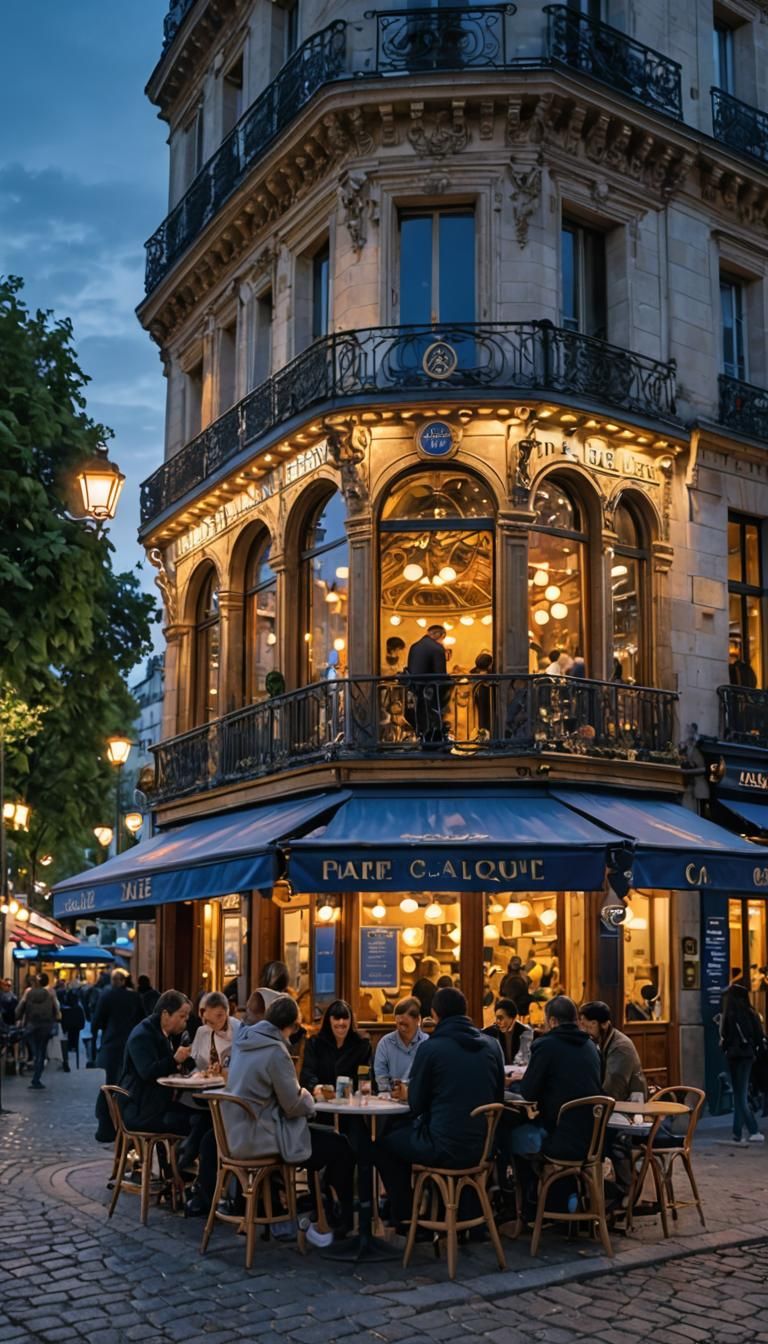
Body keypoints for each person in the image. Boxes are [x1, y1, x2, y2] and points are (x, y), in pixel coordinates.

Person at [193, 995, 354, 1234]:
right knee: (340, 1146)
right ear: (290, 1026)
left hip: (234, 1136)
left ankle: (321, 1209)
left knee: (327, 1139)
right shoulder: (276, 1051)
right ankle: (341, 1222)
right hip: (263, 1139)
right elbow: (292, 1104)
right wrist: (310, 1098)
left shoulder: (243, 1042)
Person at [374, 986, 505, 1229]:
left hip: (444, 1148)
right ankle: (467, 1218)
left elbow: (416, 1105)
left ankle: (408, 1219)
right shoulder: (492, 1046)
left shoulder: (431, 1048)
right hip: (482, 1148)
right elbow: (498, 1097)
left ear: (434, 1015)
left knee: (384, 1144)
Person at [506, 995, 602, 1161]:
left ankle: (530, 1186)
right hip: (593, 1138)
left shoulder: (546, 1046)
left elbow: (528, 1093)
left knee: (510, 1134)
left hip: (559, 1136)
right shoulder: (591, 1046)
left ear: (552, 1021)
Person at [119, 989, 193, 1136]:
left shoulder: (164, 1033)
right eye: (182, 1016)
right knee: (194, 1121)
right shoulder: (143, 1035)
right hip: (140, 1109)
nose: (186, 1021)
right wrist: (175, 1060)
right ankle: (178, 1159)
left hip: (154, 1104)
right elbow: (148, 1072)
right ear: (166, 1015)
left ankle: (175, 1158)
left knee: (198, 1117)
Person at [720, 983, 766, 1144]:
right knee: (742, 1094)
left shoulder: (728, 1014)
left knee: (738, 1094)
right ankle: (753, 1129)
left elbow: (724, 1036)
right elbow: (760, 1036)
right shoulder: (750, 1013)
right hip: (746, 1056)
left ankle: (737, 1132)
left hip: (733, 1057)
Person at [578, 1001, 647, 1101]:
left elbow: (613, 1089)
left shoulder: (621, 1047)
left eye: (589, 1026)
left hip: (629, 1104)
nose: (584, 1030)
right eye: (582, 1025)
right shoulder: (600, 1041)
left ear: (604, 1024)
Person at [300, 1000, 371, 1094]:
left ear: (351, 1020)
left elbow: (365, 1074)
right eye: (336, 1018)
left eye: (345, 1018)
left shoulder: (362, 1045)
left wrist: (362, 1089)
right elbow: (307, 1073)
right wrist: (316, 1087)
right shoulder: (314, 1043)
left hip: (352, 1101)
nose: (341, 1022)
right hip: (322, 1102)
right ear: (329, 1020)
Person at [91, 969, 144, 1085]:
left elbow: (97, 1019)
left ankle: (111, 1100)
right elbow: (142, 1018)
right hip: (130, 1039)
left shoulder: (106, 996)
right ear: (123, 981)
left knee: (111, 1077)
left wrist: (95, 1034)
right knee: (128, 1076)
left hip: (112, 1040)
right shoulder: (135, 996)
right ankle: (124, 1099)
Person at [374, 997, 428, 1094]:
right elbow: (381, 1076)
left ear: (418, 1019)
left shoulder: (427, 1043)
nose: (402, 1027)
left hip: (419, 1100)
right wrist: (388, 1092)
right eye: (399, 1023)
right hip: (390, 1100)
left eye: (406, 1024)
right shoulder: (385, 1043)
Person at [15, 973, 60, 1090]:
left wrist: (17, 1017)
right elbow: (57, 1008)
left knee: (34, 1050)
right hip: (45, 1026)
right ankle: (36, 1078)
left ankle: (34, 1062)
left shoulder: (28, 992)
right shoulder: (50, 992)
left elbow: (21, 1006)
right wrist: (56, 1017)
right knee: (42, 1050)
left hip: (31, 1025)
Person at [406, 625, 448, 744]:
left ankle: (421, 738)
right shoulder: (437, 648)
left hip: (416, 689)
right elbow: (441, 674)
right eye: (442, 638)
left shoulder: (414, 646)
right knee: (433, 717)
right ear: (439, 635)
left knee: (420, 716)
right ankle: (434, 740)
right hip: (431, 690)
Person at [483, 998, 533, 1067]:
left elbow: (524, 1059)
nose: (497, 1021)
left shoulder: (524, 1032)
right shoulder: (489, 1032)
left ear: (512, 1018)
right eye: (496, 1018)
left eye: (500, 1018)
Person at [471, 652, 494, 737]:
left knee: (482, 717)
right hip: (486, 697)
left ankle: (482, 735)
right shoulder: (491, 674)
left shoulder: (474, 674)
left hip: (479, 696)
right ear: (490, 665)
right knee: (486, 717)